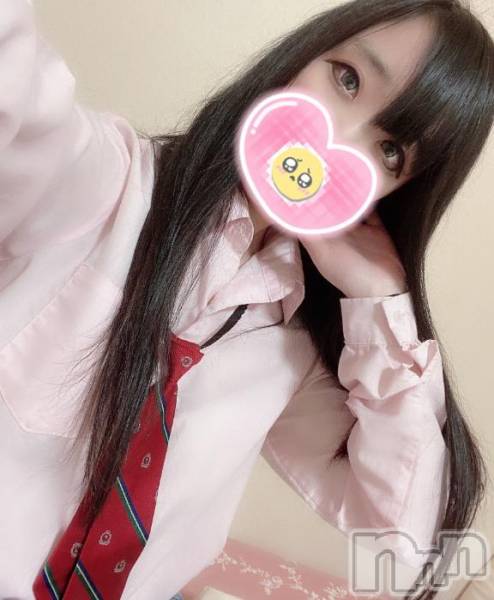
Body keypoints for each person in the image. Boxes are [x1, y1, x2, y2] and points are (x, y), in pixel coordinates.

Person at [0, 0, 492, 598]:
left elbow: (405, 533)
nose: (335, 142)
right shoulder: (107, 183)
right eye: (347, 79)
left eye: (390, 151)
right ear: (299, 58)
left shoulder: (295, 349)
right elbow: (20, 94)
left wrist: (380, 300)